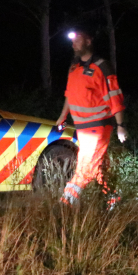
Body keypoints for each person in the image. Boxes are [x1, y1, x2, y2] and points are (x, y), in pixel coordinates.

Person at [56, 29, 126, 207]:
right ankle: (114, 199)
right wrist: (62, 117)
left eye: (77, 40)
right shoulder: (74, 68)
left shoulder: (102, 66)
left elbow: (115, 95)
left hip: (99, 126)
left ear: (88, 41)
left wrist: (120, 125)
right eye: (72, 42)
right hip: (82, 127)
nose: (73, 45)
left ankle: (66, 202)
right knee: (98, 165)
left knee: (86, 163)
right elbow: (69, 95)